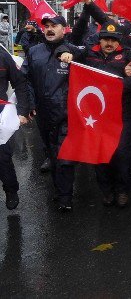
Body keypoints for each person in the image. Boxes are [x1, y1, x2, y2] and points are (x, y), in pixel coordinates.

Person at [58, 0, 131, 207]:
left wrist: (116, 87)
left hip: (124, 116)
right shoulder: (88, 52)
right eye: (106, 38)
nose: (109, 43)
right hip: (98, 116)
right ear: (100, 38)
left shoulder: (130, 55)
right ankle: (106, 190)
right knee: (100, 155)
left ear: (118, 41)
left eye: (113, 40)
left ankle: (123, 190)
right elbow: (67, 46)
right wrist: (65, 53)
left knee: (123, 156)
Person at [22, 15, 83, 211]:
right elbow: (26, 79)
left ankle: (65, 197)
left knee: (64, 156)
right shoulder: (33, 52)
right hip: (44, 114)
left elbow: (91, 63)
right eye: (46, 26)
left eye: (54, 26)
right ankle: (59, 191)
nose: (49, 29)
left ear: (64, 29)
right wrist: (30, 103)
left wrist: (73, 56)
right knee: (52, 155)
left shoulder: (74, 51)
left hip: (68, 114)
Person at [0, 44, 30, 210]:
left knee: (3, 158)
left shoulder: (4, 57)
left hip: (1, 116)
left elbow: (20, 83)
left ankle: (11, 190)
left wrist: (22, 111)